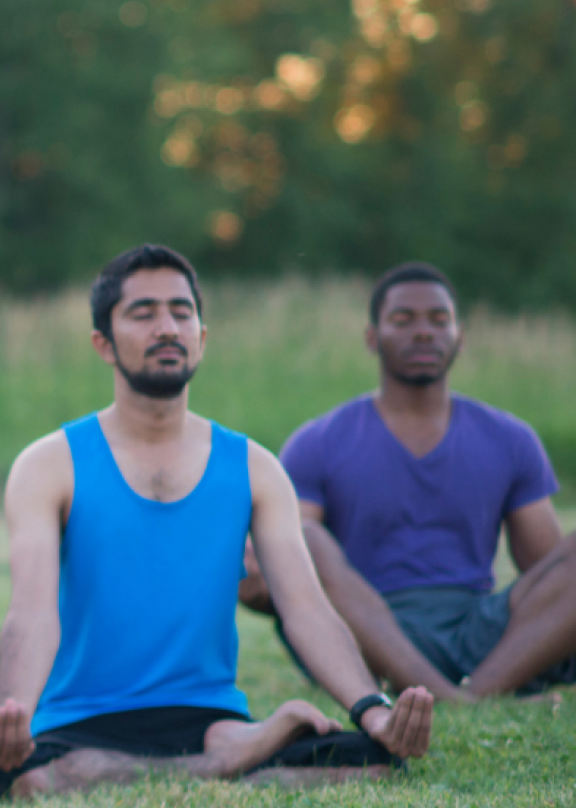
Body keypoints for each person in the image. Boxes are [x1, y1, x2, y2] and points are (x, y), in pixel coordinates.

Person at [0, 244, 436, 802]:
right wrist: (14, 714)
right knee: (21, 778)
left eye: (181, 311)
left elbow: (307, 609)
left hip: (209, 716)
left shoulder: (255, 468)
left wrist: (373, 712)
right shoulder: (49, 464)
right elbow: (30, 613)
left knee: (374, 763)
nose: (167, 327)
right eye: (143, 313)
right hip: (80, 720)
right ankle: (233, 767)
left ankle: (227, 753)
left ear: (202, 336)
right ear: (104, 343)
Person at [240, 262, 574, 699]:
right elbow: (286, 573)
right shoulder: (318, 441)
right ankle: (445, 690)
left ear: (460, 337)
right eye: (403, 319)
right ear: (371, 337)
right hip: (367, 634)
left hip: (479, 631)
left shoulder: (509, 438)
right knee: (301, 536)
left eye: (440, 320)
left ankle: (478, 692)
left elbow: (547, 571)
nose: (423, 332)